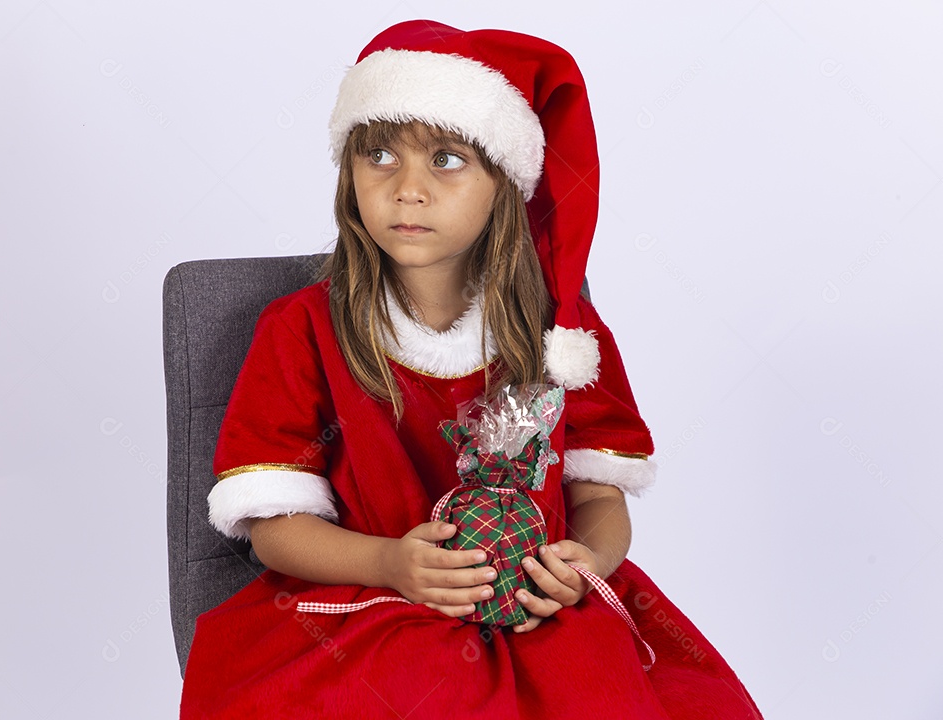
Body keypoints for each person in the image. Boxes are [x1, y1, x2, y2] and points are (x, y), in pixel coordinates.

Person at [180, 19, 765, 719]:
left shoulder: (563, 330)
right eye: (379, 155)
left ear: (504, 183)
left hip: (539, 606)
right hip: (376, 601)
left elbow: (600, 498)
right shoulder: (301, 329)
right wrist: (390, 563)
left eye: (448, 158)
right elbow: (274, 525)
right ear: (349, 173)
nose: (407, 188)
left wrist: (585, 565)